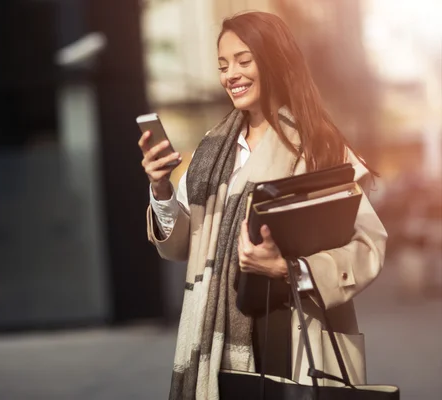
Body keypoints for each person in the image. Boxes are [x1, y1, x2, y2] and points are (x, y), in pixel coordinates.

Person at [137, 11, 387, 400]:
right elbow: (183, 242)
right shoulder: (211, 151)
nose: (230, 75)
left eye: (243, 60)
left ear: (274, 61)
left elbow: (368, 245)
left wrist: (290, 270)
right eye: (222, 65)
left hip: (292, 333)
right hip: (216, 341)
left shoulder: (320, 146)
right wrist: (161, 188)